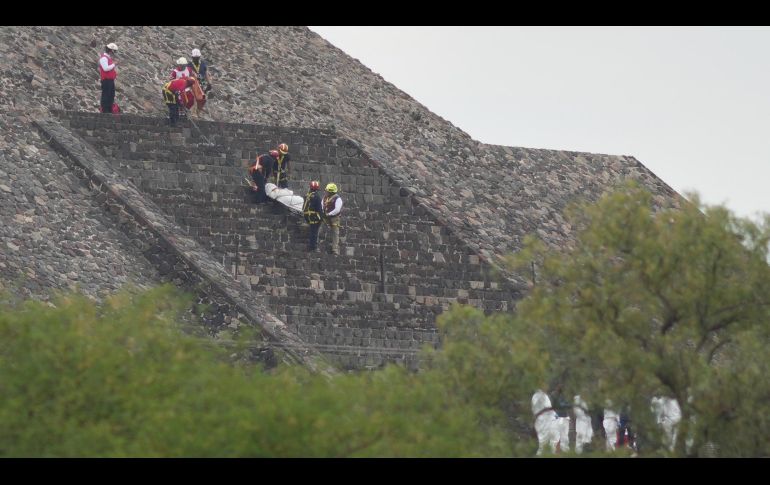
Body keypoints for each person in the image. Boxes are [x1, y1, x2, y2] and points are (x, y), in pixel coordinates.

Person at [322, 183, 343, 255]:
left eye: (327, 191)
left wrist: (329, 214)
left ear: (331, 192)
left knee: (335, 233)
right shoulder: (325, 198)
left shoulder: (338, 199)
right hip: (325, 217)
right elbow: (322, 206)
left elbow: (337, 209)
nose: (325, 192)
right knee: (321, 229)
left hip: (334, 218)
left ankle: (335, 249)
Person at [302, 181, 323, 252]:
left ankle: (311, 246)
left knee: (312, 230)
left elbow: (304, 206)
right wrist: (321, 218)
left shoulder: (306, 195)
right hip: (314, 216)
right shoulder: (317, 197)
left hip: (307, 216)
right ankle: (313, 247)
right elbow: (319, 208)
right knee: (314, 232)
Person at [98, 43, 118, 114]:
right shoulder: (103, 58)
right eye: (114, 51)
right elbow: (105, 68)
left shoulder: (108, 58)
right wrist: (114, 64)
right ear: (111, 51)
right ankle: (105, 109)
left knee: (111, 94)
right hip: (106, 80)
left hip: (110, 80)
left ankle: (109, 109)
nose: (114, 53)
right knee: (106, 94)